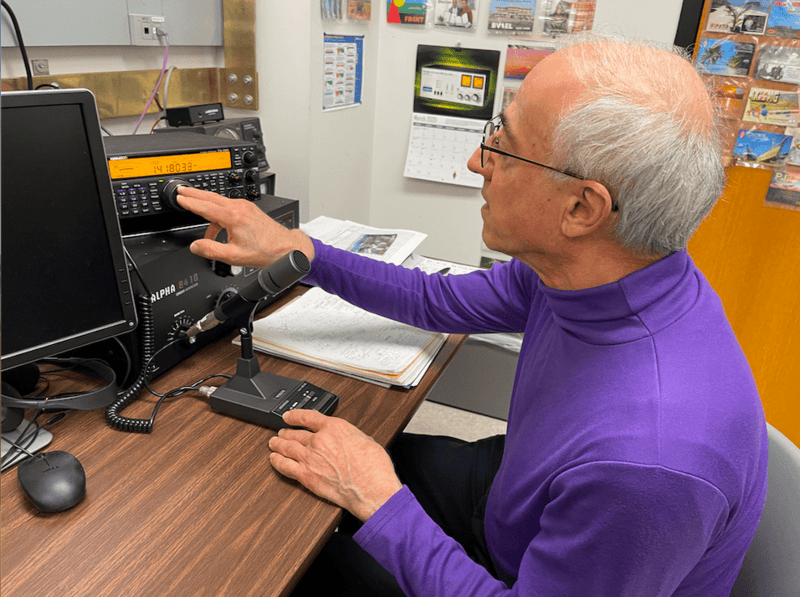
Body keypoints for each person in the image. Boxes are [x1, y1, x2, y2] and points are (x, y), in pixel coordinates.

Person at [176, 33, 768, 597]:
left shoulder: (648, 462)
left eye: (502, 143)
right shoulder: (597, 274)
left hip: (524, 568)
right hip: (521, 499)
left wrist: (380, 502)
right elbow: (440, 300)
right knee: (289, 471)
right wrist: (299, 251)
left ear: (582, 207)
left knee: (286, 559)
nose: (474, 161)